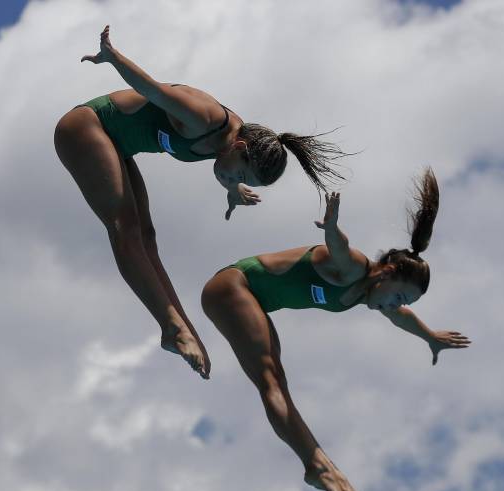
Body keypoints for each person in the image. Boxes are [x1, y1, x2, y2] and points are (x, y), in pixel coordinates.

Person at [54, 25, 351, 379]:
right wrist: (112, 56)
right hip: (86, 128)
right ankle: (172, 326)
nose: (235, 180)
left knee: (147, 237)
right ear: (239, 147)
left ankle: (181, 328)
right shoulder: (203, 118)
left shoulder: (233, 147)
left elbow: (225, 172)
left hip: (118, 145)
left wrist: (233, 191)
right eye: (241, 176)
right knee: (126, 230)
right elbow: (152, 89)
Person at [201, 168, 471, 491]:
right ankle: (315, 463)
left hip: (252, 300)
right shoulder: (354, 268)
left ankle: (316, 463)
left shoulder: (367, 295)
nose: (394, 305)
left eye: (401, 302)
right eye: (399, 296)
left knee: (277, 381)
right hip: (233, 286)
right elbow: (339, 249)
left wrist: (429, 336)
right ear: (387, 273)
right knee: (271, 381)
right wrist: (331, 227)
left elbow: (399, 316)